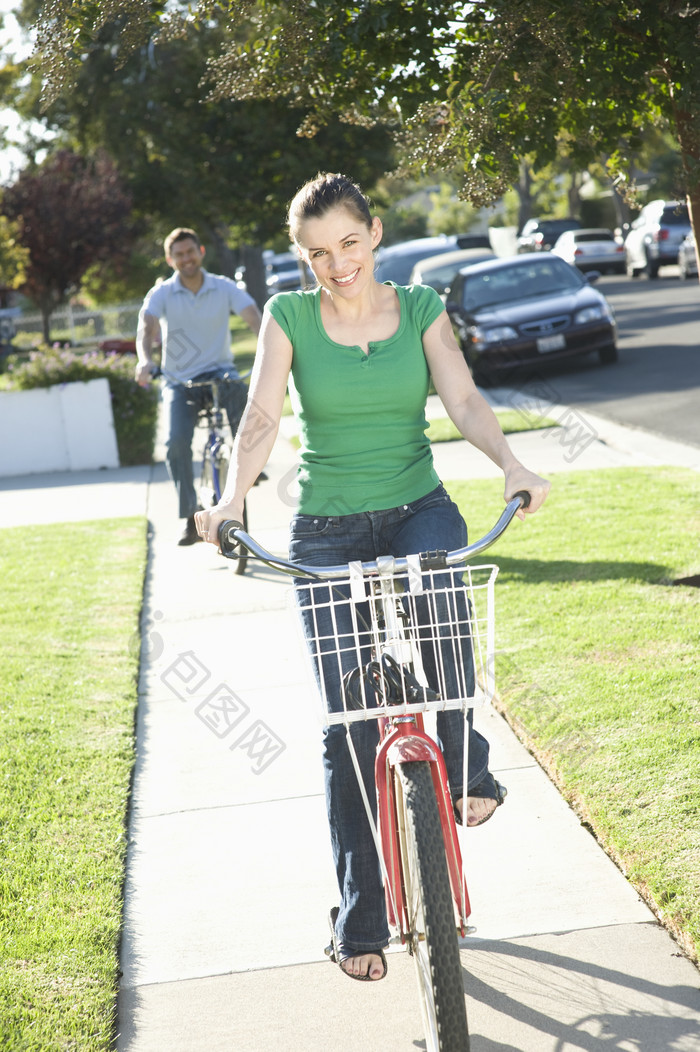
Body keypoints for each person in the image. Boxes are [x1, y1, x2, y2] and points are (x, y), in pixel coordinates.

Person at [195, 173, 550, 981]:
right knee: (348, 724)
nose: (337, 263)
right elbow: (262, 416)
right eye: (318, 252)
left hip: (416, 504)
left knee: (446, 623)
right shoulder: (289, 316)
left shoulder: (421, 308)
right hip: (326, 528)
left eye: (349, 243)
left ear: (375, 233)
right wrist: (231, 499)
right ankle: (360, 915)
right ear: (303, 258)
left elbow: (462, 397)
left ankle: (465, 761)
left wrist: (510, 462)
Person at [135, 227, 262, 545]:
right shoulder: (162, 293)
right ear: (169, 259)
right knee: (175, 443)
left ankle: (252, 468)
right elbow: (145, 327)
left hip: (221, 373)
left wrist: (269, 347)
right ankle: (189, 515)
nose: (186, 258)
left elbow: (253, 316)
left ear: (201, 251)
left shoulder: (223, 287)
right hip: (180, 381)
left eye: (190, 251)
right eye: (178, 254)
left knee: (241, 396)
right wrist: (144, 359)